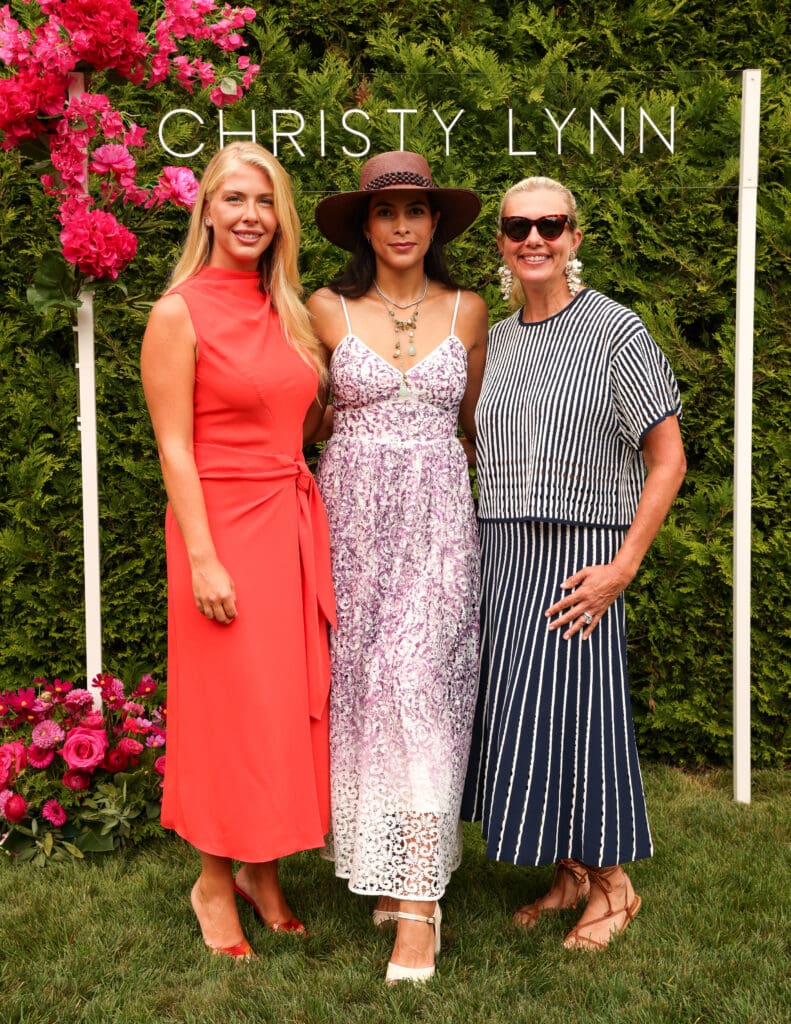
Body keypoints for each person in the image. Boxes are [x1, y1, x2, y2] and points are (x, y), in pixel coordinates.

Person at [462, 176, 686, 951]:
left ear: (574, 237)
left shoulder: (614, 332)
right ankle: (569, 875)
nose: (534, 238)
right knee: (523, 720)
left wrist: (622, 566)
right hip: (504, 552)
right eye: (517, 225)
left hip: (579, 561)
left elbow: (667, 459)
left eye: (549, 224)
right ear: (498, 241)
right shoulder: (495, 340)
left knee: (581, 722)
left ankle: (615, 885)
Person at [141, 141, 335, 960]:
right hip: (217, 529)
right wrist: (204, 556)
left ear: (279, 216)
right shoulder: (178, 310)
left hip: (285, 525)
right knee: (225, 714)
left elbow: (303, 417)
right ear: (208, 211)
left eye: (263, 202)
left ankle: (262, 868)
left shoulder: (287, 308)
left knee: (275, 712)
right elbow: (173, 447)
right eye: (233, 200)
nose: (249, 215)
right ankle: (212, 882)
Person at [308, 151, 488, 983]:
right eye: (388, 213)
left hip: (439, 525)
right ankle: (392, 864)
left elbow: (473, 426)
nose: (405, 225)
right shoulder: (324, 309)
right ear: (366, 227)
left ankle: (419, 906)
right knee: (364, 691)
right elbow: (300, 418)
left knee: (420, 690)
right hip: (348, 526)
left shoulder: (470, 311)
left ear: (436, 223)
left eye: (418, 211)